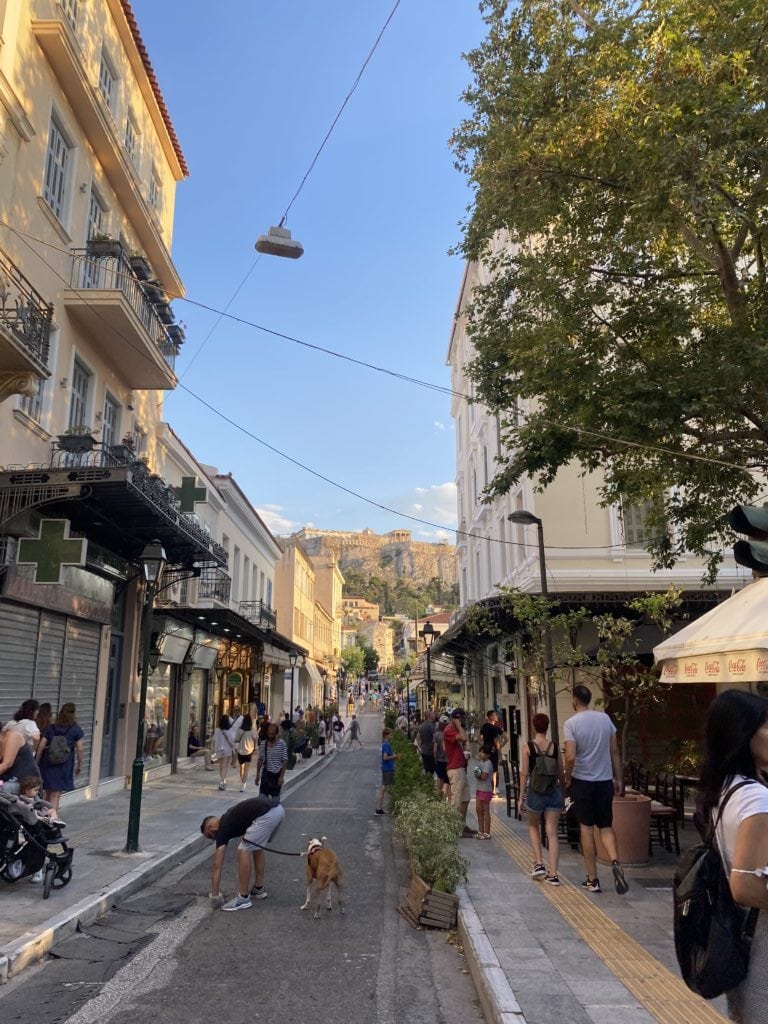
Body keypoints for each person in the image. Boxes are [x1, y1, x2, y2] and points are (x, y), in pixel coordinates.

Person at [697, 689, 768, 1022]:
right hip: (761, 937)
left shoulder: (727, 788)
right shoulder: (755, 798)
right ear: (743, 735)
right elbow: (745, 885)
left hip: (738, 931)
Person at [563, 685, 628, 895]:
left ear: (575, 700)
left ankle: (593, 879)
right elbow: (614, 750)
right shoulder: (605, 719)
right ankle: (615, 861)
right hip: (604, 781)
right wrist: (618, 778)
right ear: (589, 699)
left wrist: (567, 776)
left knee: (586, 828)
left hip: (582, 781)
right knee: (606, 826)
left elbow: (570, 756)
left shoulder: (571, 723)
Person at [200, 796, 285, 911]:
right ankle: (258, 889)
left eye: (210, 836)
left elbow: (217, 865)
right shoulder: (229, 816)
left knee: (243, 849)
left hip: (266, 815)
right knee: (256, 846)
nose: (213, 839)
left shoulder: (222, 828)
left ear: (211, 827)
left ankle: (243, 898)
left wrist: (215, 896)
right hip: (278, 809)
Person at [519, 712, 565, 885]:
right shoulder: (555, 747)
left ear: (533, 727)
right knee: (552, 832)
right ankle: (553, 874)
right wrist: (564, 793)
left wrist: (521, 797)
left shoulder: (527, 747)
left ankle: (539, 863)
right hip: (553, 792)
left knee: (533, 826)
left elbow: (524, 774)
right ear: (547, 727)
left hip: (535, 792)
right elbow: (560, 772)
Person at [36, 703, 84, 814]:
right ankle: (52, 818)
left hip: (48, 764)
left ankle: (43, 816)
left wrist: (37, 762)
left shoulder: (51, 728)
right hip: (64, 765)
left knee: (47, 792)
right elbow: (80, 749)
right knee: (56, 794)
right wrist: (79, 765)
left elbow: (41, 746)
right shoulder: (76, 729)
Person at [444, 709, 476, 837]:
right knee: (456, 801)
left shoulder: (457, 729)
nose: (461, 721)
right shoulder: (449, 730)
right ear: (454, 718)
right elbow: (462, 737)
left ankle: (461, 825)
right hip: (455, 769)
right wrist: (458, 725)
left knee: (465, 799)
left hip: (461, 767)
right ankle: (454, 829)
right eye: (460, 718)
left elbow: (465, 740)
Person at [256, 722, 287, 802]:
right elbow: (260, 760)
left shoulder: (282, 744)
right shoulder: (263, 744)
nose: (270, 735)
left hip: (276, 776)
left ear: (276, 734)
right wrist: (257, 775)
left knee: (275, 801)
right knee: (261, 800)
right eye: (269, 733)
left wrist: (281, 777)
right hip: (266, 775)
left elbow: (284, 761)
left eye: (272, 734)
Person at [479, 709, 507, 796]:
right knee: (494, 771)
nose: (496, 716)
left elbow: (478, 738)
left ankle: (484, 788)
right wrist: (499, 747)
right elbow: (504, 739)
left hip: (485, 751)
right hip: (493, 752)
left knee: (484, 769)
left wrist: (484, 745)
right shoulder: (495, 728)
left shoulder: (484, 727)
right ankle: (493, 790)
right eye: (495, 715)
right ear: (490, 717)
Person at [473, 745, 494, 839]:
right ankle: (480, 831)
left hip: (486, 790)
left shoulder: (488, 763)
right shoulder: (480, 763)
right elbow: (476, 774)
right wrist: (478, 773)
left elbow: (484, 777)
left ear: (488, 755)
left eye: (483, 752)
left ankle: (487, 832)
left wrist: (478, 772)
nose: (480, 754)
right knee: (478, 810)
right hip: (479, 789)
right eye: (480, 752)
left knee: (485, 810)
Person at [375, 727, 398, 814]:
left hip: (387, 768)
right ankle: (380, 808)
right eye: (390, 735)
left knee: (384, 787)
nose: (392, 736)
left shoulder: (385, 744)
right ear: (386, 735)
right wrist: (394, 756)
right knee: (386, 788)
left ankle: (379, 808)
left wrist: (394, 757)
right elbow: (385, 757)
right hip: (388, 768)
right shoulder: (386, 745)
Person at [234, 714, 257, 792]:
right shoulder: (252, 730)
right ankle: (243, 784)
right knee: (246, 769)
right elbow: (255, 738)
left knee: (241, 768)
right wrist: (255, 747)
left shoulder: (239, 729)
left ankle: (243, 782)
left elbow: (236, 740)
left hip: (240, 750)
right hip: (249, 751)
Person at [212, 714, 236, 790]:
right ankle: (222, 782)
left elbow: (214, 740)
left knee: (221, 766)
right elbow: (233, 740)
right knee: (225, 767)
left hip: (219, 750)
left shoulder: (217, 730)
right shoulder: (230, 730)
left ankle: (222, 780)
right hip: (227, 750)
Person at [434, 715, 451, 799]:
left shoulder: (436, 735)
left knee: (440, 778)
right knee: (448, 781)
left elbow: (435, 750)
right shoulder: (450, 735)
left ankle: (440, 795)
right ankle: (448, 798)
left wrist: (435, 760)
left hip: (440, 760)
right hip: (449, 761)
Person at [417, 710, 436, 777]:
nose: (434, 715)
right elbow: (435, 738)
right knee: (432, 770)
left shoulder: (422, 725)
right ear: (429, 716)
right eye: (433, 714)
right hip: (431, 751)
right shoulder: (431, 726)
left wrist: (421, 747)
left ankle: (427, 781)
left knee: (427, 769)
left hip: (424, 751)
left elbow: (418, 738)